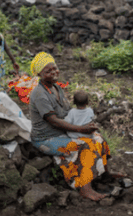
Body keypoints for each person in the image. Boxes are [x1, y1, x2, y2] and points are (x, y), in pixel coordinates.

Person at [28, 52, 126, 201]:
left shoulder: (56, 88)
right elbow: (53, 120)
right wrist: (81, 130)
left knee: (98, 139)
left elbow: (67, 113)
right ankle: (85, 188)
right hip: (46, 139)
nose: (54, 73)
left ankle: (105, 174)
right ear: (40, 74)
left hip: (62, 132)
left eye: (55, 68)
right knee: (84, 146)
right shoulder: (39, 94)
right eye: (48, 71)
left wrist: (85, 124)